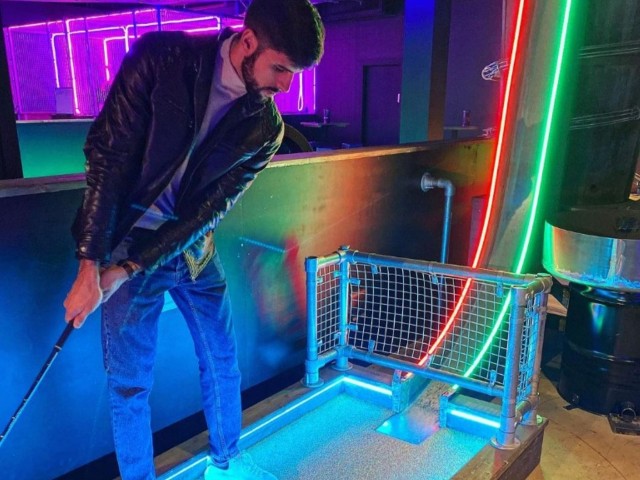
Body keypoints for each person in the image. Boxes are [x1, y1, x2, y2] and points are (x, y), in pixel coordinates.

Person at [62, 0, 324, 478]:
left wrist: (128, 270)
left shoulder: (266, 129)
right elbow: (108, 158)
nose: (287, 85)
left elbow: (209, 210)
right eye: (280, 68)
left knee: (222, 358)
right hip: (127, 240)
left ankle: (227, 463)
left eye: (294, 73)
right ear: (248, 42)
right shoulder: (162, 59)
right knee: (129, 385)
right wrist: (91, 263)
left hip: (193, 249)